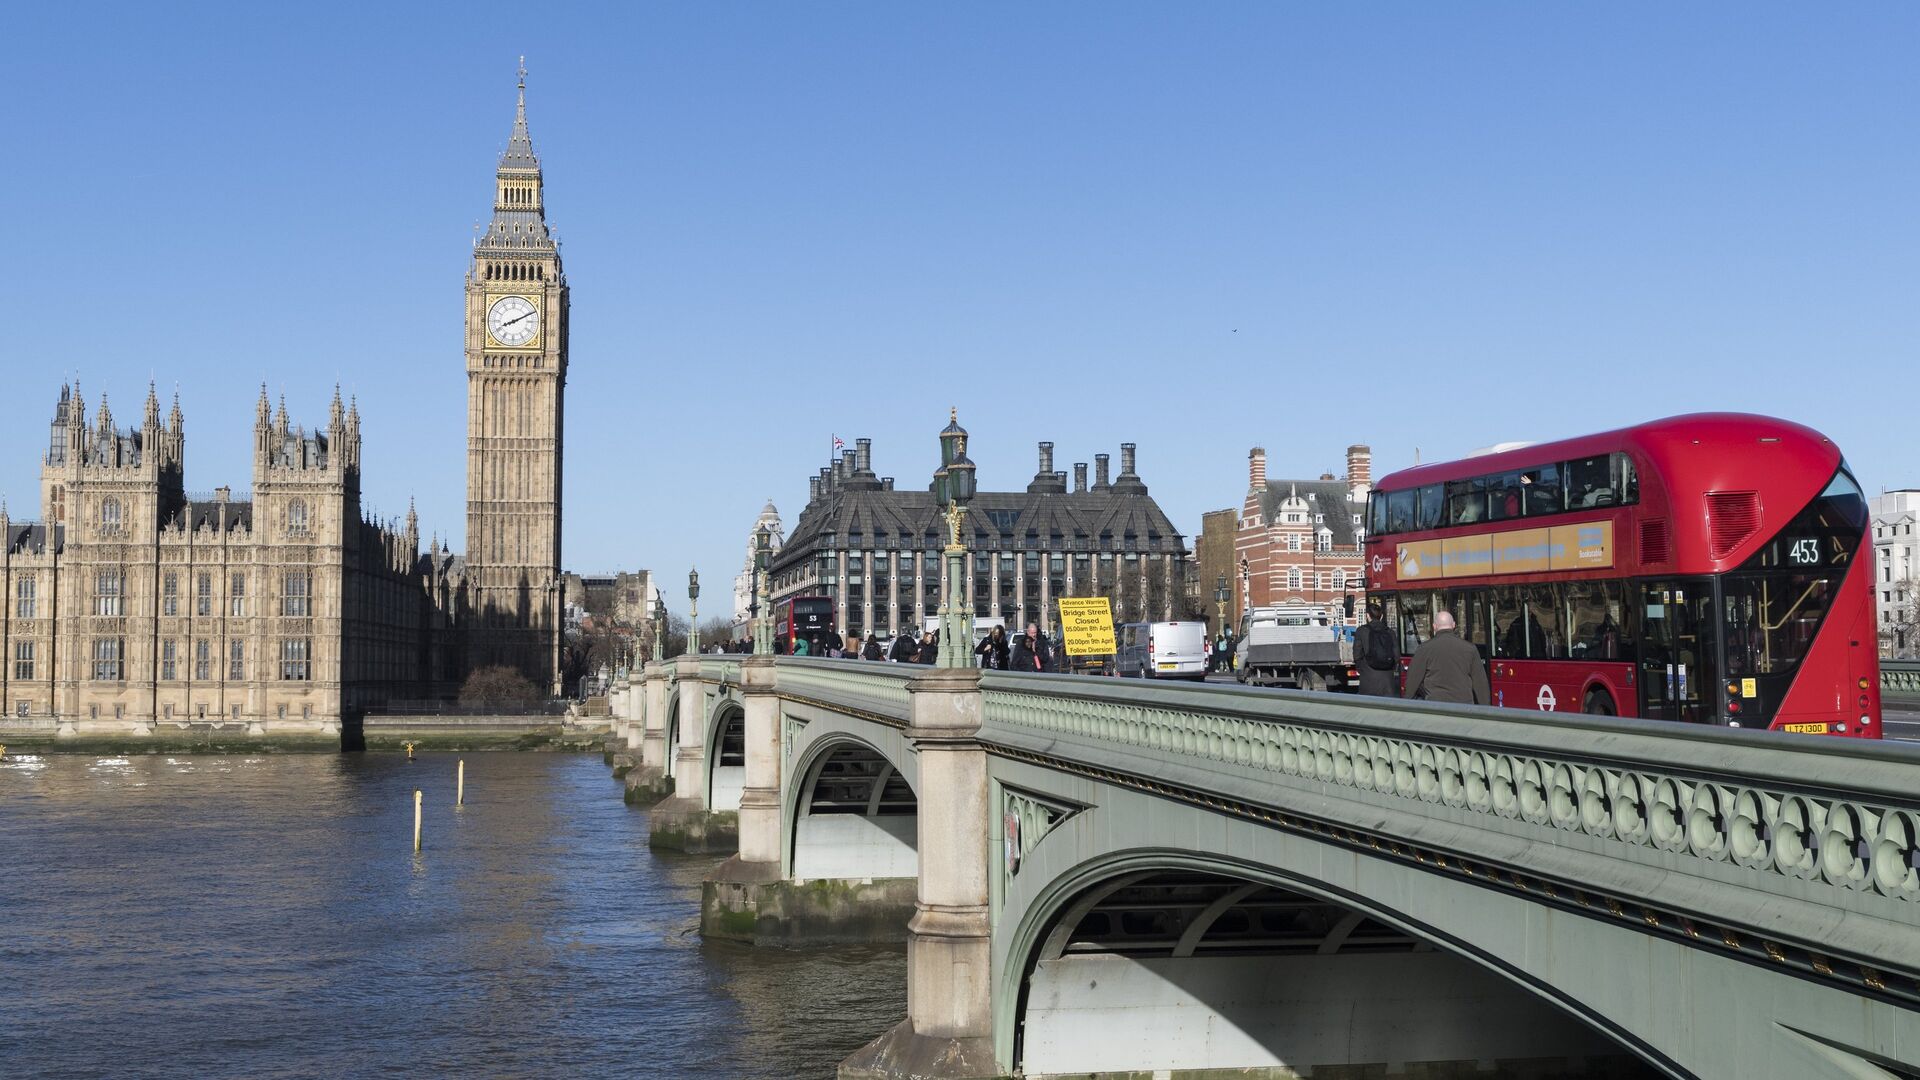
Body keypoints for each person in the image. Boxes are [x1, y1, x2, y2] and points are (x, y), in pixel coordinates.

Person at [1401, 610, 1489, 705]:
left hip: (1436, 705)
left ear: (1434, 626)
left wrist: (1406, 703)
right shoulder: (1470, 648)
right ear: (1454, 625)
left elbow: (1412, 681)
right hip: (1464, 706)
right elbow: (1481, 684)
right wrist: (1486, 709)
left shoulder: (1424, 649)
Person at [1353, 601, 1399, 697]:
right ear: (1381, 616)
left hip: (1368, 679)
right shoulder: (1390, 632)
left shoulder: (1361, 631)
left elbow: (1357, 655)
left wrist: (1362, 669)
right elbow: (1396, 656)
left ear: (1367, 616)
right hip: (1388, 681)